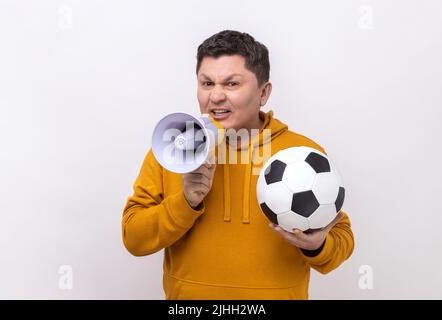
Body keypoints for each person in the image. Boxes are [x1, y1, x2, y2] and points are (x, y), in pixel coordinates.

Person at [122, 30, 354, 299]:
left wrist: (317, 245)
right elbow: (134, 239)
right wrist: (185, 202)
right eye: (207, 83)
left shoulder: (302, 154)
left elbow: (341, 243)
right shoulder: (173, 148)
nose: (216, 96)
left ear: (263, 92)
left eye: (231, 84)